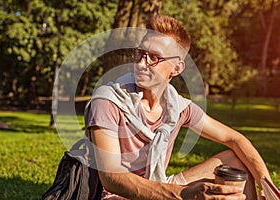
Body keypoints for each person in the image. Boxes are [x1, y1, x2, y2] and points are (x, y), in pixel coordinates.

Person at [84, 15, 271, 199]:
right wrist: (184, 194)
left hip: (160, 183)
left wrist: (267, 186)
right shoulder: (108, 100)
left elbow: (235, 139)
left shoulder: (178, 108)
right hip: (115, 195)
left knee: (236, 161)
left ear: (176, 68)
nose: (141, 64)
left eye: (154, 58)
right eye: (141, 54)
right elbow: (111, 178)